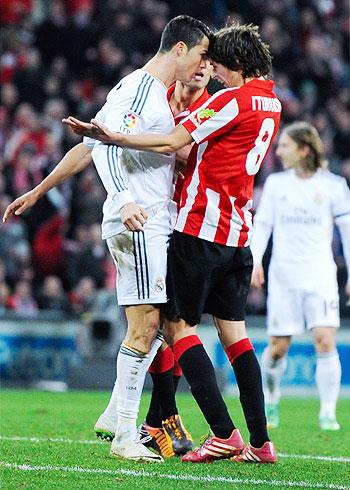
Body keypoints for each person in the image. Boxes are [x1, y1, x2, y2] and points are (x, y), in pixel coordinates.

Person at [65, 22, 281, 464]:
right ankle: (259, 442)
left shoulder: (228, 101)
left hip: (200, 229)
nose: (213, 72)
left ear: (235, 64)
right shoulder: (271, 101)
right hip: (239, 234)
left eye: (217, 65)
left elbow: (171, 141)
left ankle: (218, 432)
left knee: (175, 327)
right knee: (234, 337)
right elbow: (196, 148)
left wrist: (113, 136)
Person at [3, 15, 212, 463]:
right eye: (200, 54)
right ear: (179, 48)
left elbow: (89, 144)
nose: (202, 64)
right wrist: (122, 199)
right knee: (146, 328)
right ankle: (124, 436)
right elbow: (109, 149)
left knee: (157, 324)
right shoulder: (140, 89)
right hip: (136, 220)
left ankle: (116, 413)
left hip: (150, 220)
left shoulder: (145, 92)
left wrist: (39, 189)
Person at [250, 121, 350, 431]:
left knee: (324, 340)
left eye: (284, 146)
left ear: (304, 149)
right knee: (278, 347)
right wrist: (254, 261)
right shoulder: (277, 184)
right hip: (283, 276)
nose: (278, 151)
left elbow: (347, 231)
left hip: (320, 274)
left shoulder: (334, 185)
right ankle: (271, 395)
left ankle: (328, 412)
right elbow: (263, 224)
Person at [139, 64, 213, 458]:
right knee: (157, 322)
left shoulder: (211, 110)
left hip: (188, 225)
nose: (202, 70)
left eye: (208, 64)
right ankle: (160, 418)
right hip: (150, 218)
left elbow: (191, 156)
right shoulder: (158, 103)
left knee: (174, 324)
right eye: (198, 60)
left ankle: (160, 417)